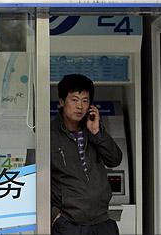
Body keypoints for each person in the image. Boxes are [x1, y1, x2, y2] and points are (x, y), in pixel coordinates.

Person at [51, 74, 122, 235]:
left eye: (85, 101)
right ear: (62, 102)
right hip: (69, 224)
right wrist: (54, 216)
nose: (80, 106)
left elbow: (115, 160)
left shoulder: (93, 129)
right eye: (74, 100)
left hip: (103, 221)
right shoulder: (49, 135)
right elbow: (34, 179)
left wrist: (97, 132)